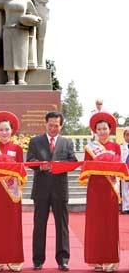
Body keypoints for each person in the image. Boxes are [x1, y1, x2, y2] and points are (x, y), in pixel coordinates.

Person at [26, 111, 77, 271]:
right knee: (39, 225)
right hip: (41, 189)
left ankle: (63, 260)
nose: (53, 128)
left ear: (61, 126)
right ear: (45, 124)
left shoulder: (67, 143)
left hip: (60, 189)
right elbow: (30, 161)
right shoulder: (35, 141)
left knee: (62, 225)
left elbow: (73, 161)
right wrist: (40, 165)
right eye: (50, 125)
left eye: (56, 125)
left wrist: (61, 164)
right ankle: (38, 260)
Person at [0, 111, 24, 272]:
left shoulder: (17, 149)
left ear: (12, 130)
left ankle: (14, 260)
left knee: (13, 225)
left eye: (7, 129)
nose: (4, 133)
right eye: (1, 130)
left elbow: (22, 170)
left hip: (12, 192)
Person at [84, 112, 121, 272]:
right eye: (99, 129)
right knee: (96, 224)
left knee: (110, 223)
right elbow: (85, 168)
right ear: (95, 131)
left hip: (110, 189)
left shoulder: (116, 146)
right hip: (95, 189)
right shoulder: (90, 148)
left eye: (105, 128)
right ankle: (96, 261)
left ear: (110, 129)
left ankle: (110, 261)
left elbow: (120, 167)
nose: (102, 131)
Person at [120, 127, 129, 213]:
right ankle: (126, 208)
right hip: (125, 170)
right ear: (124, 136)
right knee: (125, 190)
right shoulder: (120, 147)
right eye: (127, 135)